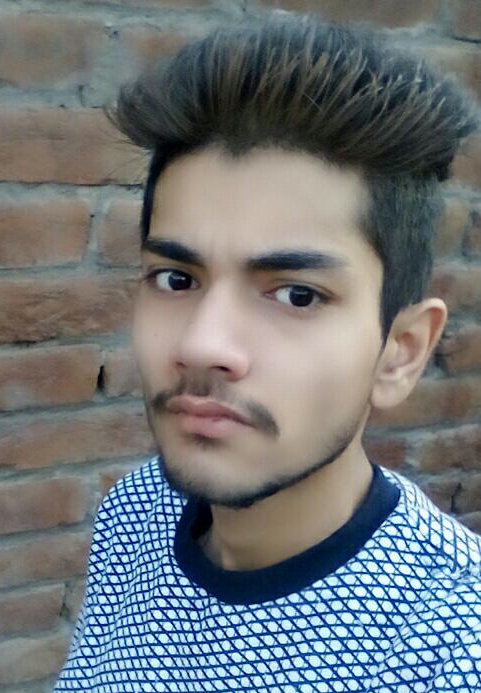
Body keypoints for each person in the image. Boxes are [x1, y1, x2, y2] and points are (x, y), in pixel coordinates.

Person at [54, 10, 480, 692]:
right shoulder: (136, 510)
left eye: (297, 295)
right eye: (176, 279)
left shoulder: (448, 647)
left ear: (399, 352)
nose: (202, 344)